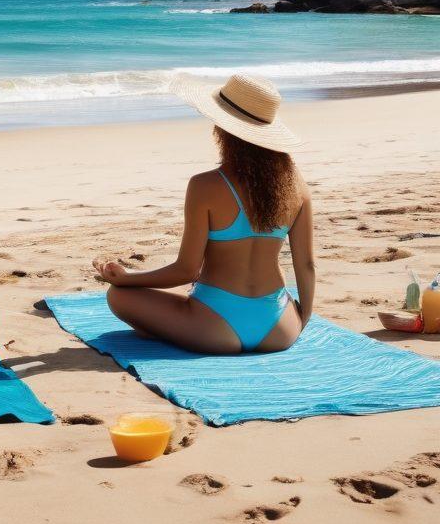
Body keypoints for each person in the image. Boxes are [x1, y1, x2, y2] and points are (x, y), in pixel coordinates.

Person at [93, 73, 314, 354]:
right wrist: (302, 318)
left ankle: (171, 331)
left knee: (119, 297)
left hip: (216, 328)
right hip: (279, 330)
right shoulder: (296, 186)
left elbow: (186, 270)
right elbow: (306, 264)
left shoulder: (205, 185)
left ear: (222, 128)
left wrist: (125, 279)